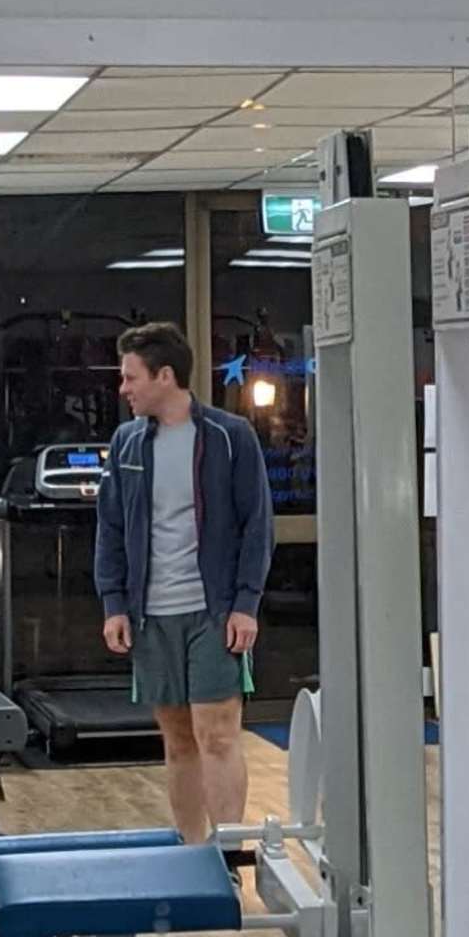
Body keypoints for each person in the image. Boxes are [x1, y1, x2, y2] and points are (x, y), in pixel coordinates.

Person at [92, 321, 272, 848]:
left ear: (164, 376)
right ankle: (193, 854)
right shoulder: (126, 443)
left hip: (213, 615)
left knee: (217, 735)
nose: (123, 389)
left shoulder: (229, 436)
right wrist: (114, 603)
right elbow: (111, 527)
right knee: (177, 742)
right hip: (152, 617)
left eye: (130, 378)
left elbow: (257, 525)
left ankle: (228, 858)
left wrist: (246, 604)